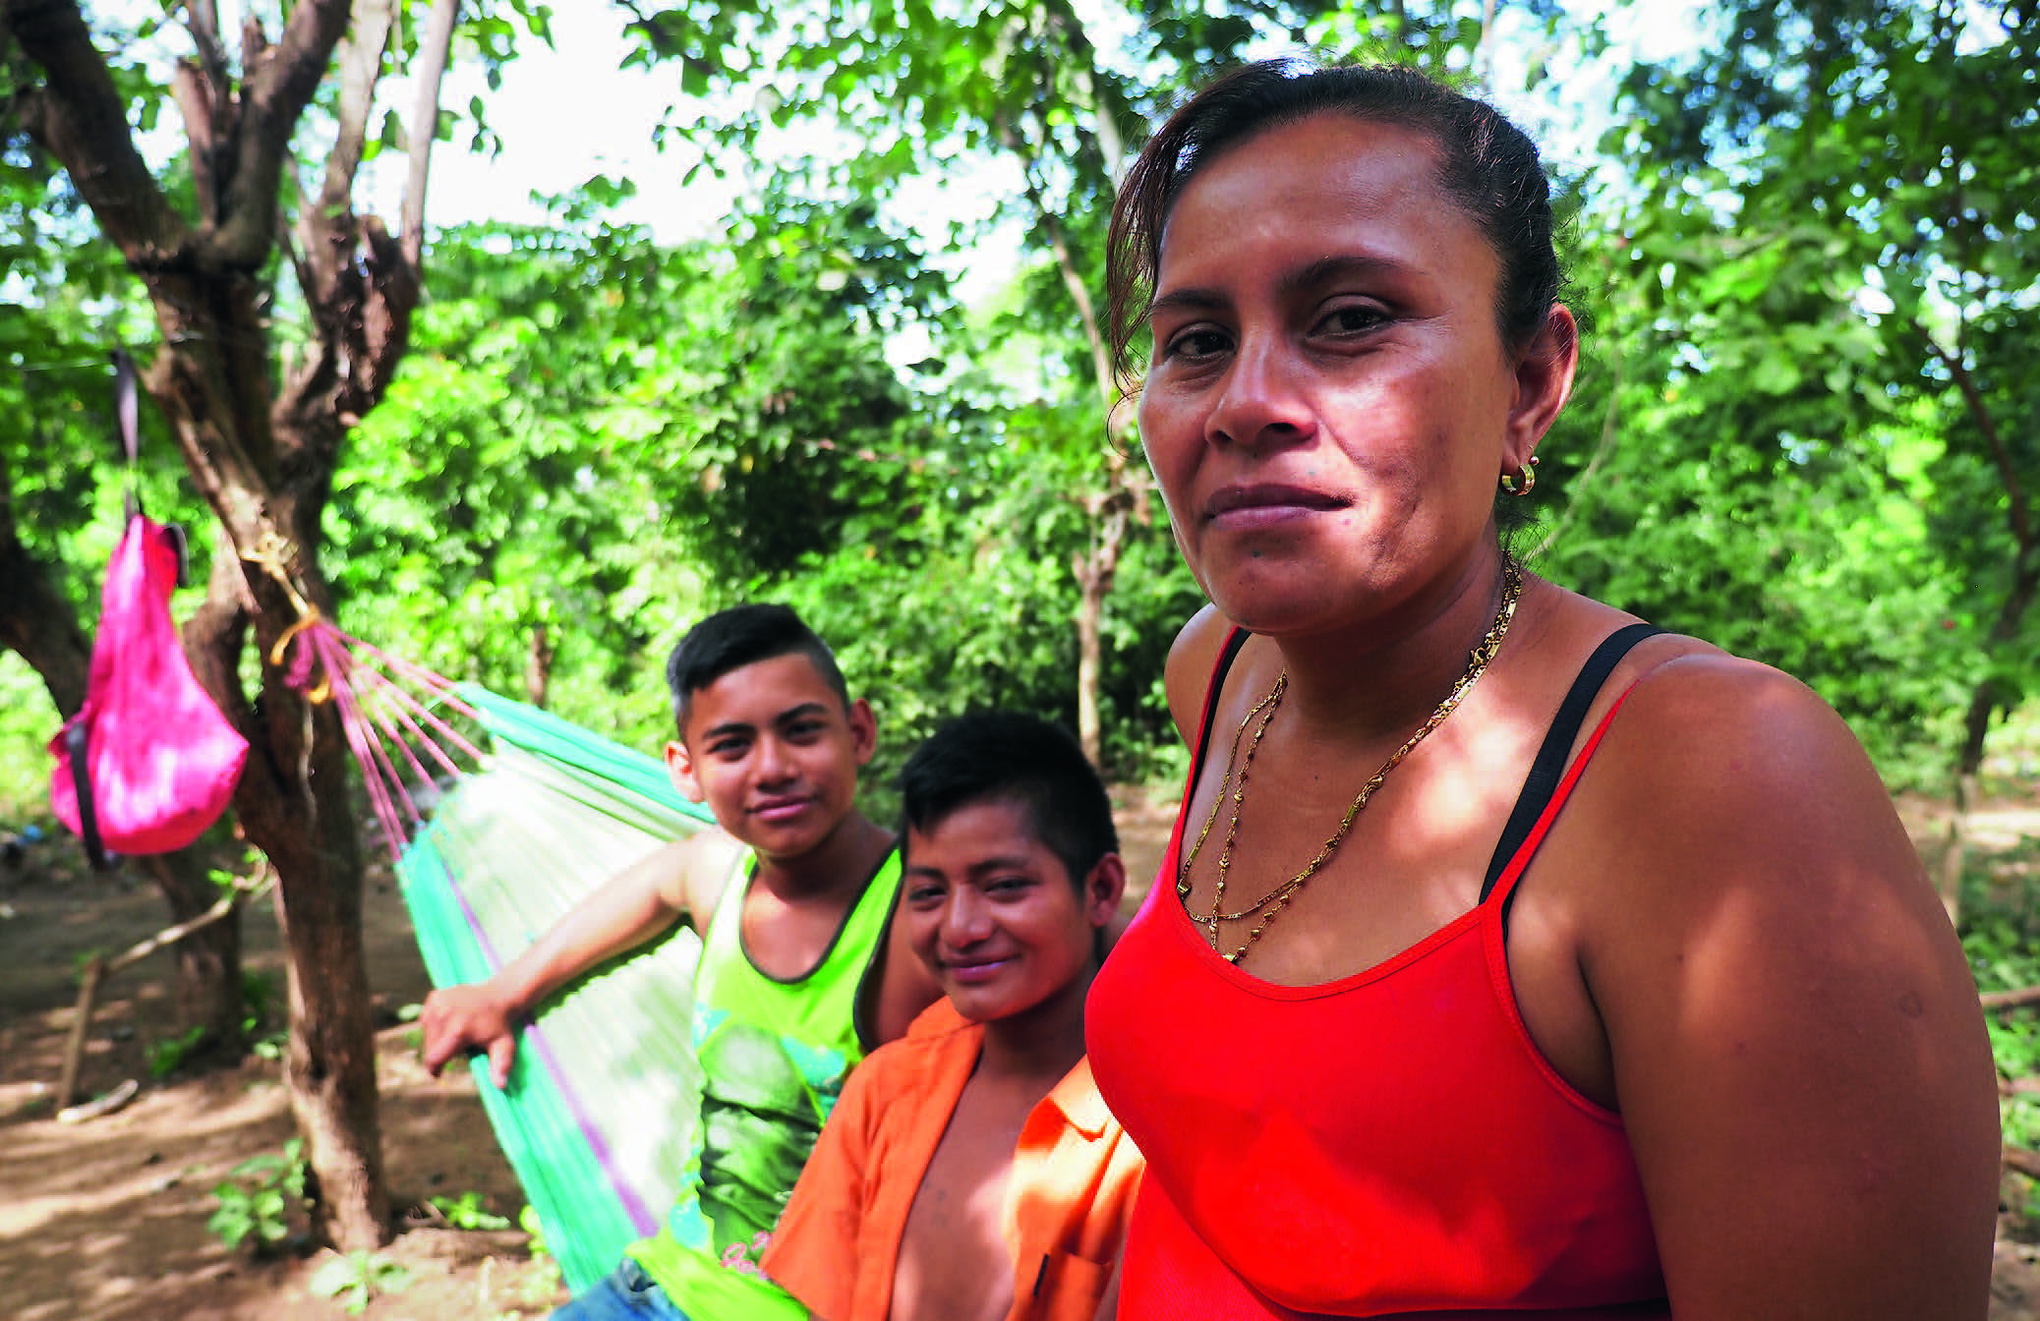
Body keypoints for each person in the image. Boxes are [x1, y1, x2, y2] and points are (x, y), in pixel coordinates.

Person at [1081, 61, 2002, 1320]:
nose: (1246, 402)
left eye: (1349, 319)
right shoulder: (1219, 673)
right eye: (1196, 343)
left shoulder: (1715, 778)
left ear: (1530, 383)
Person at [420, 603, 940, 1321]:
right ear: (685, 770)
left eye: (802, 730)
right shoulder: (719, 876)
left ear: (859, 732)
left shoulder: (928, 916)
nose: (773, 767)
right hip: (657, 1285)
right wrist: (505, 992)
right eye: (732, 746)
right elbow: (654, 881)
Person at [763, 712, 1142, 1321]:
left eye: (1005, 886)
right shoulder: (884, 1091)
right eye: (928, 894)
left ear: (1099, 890)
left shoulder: (1153, 1127)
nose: (961, 929)